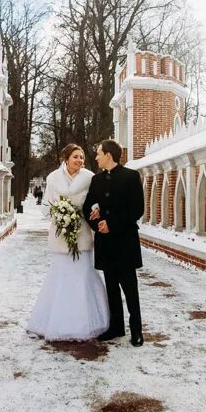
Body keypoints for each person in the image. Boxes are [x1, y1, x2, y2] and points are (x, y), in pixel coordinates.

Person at [27, 144, 110, 341]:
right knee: (61, 278)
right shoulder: (53, 178)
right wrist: (60, 212)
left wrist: (92, 211)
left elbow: (97, 202)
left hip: (82, 234)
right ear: (66, 158)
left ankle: (88, 322)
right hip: (60, 234)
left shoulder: (89, 177)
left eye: (82, 157)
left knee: (83, 276)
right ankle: (56, 321)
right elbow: (46, 207)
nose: (80, 160)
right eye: (75, 157)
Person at [82, 139, 145, 347]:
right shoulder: (97, 180)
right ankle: (116, 327)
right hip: (106, 243)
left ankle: (136, 329)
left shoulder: (131, 176)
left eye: (99, 153)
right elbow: (88, 205)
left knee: (130, 288)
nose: (97, 157)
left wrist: (112, 224)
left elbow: (136, 210)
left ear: (108, 154)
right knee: (111, 288)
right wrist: (96, 220)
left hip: (125, 242)